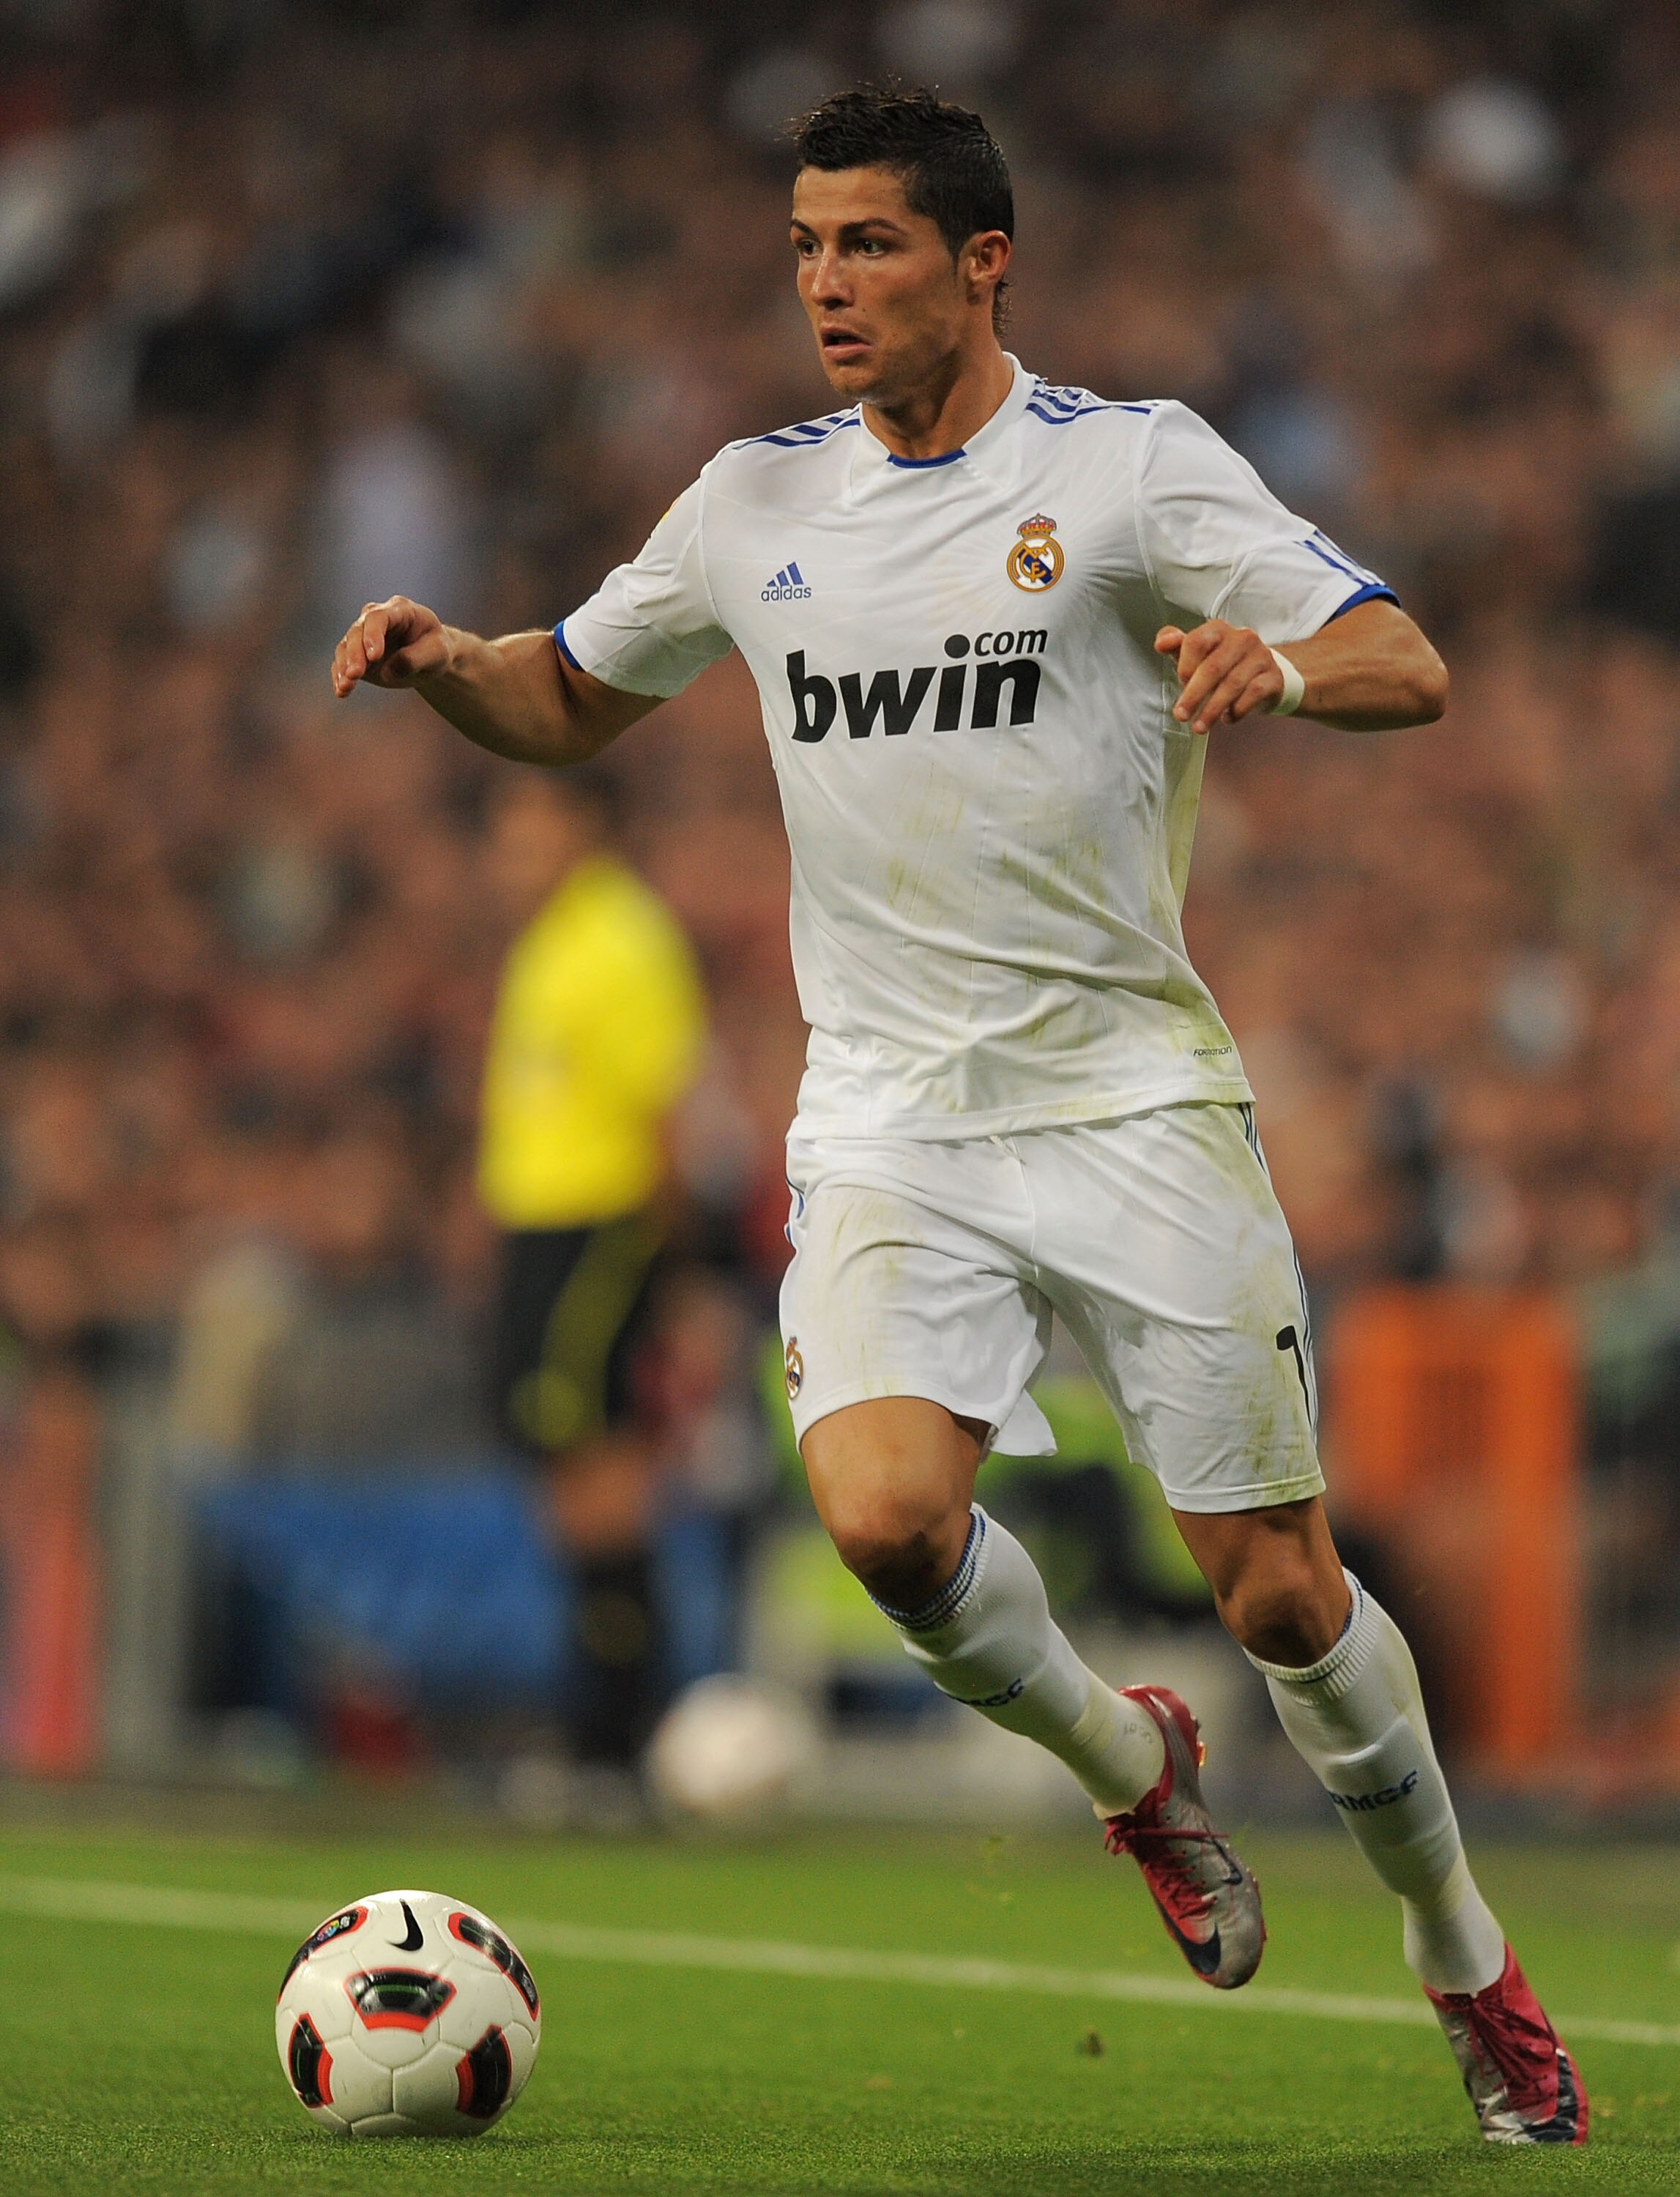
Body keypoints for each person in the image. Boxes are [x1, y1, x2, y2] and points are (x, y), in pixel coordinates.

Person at [332, 88, 1584, 2146]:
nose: (824, 283)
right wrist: (450, 661)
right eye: (804, 245)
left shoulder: (1122, 468)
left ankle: (1461, 1953)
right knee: (884, 1519)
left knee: (1280, 1593)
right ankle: (1132, 1773)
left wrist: (1279, 675)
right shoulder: (751, 500)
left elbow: (1402, 655)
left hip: (1126, 1101)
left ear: (981, 259)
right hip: (888, 1118)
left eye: (870, 244)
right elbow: (566, 694)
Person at [478, 769, 707, 1763]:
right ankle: (604, 1715)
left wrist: (672, 1267)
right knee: (562, 1465)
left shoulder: (624, 936)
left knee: (596, 1464)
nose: (510, 846)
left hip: (598, 1228)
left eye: (530, 821)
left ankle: (616, 1729)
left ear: (587, 823)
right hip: (541, 1232)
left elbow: (666, 1110)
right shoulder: (552, 937)